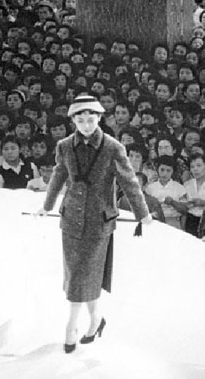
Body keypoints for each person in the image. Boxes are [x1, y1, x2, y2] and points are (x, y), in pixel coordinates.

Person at [36, 95, 152, 353]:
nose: (86, 124)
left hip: (98, 222)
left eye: (91, 119)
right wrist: (47, 206)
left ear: (99, 118)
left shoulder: (113, 147)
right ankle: (96, 319)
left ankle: (71, 325)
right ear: (73, 120)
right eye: (80, 119)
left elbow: (129, 181)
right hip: (70, 220)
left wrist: (142, 212)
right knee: (79, 275)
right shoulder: (65, 145)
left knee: (83, 274)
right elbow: (58, 175)